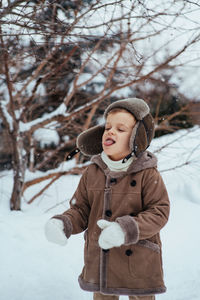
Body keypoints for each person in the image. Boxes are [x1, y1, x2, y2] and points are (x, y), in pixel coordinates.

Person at [45, 98, 170, 300]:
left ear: (136, 138)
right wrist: (64, 223)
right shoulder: (93, 172)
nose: (111, 131)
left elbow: (159, 212)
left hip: (137, 257)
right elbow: (80, 209)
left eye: (121, 129)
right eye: (108, 127)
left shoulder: (147, 174)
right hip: (101, 257)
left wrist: (125, 229)